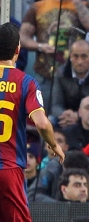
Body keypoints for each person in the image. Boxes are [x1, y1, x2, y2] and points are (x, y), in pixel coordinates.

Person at [0, 22, 65, 222]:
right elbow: (42, 123)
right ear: (18, 50)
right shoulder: (25, 81)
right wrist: (53, 144)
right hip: (8, 170)